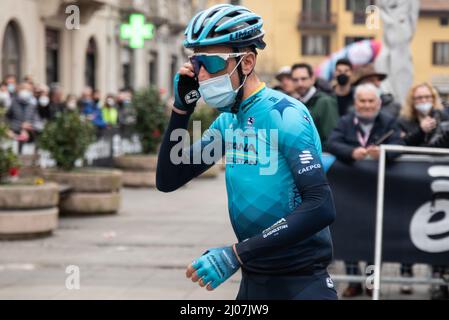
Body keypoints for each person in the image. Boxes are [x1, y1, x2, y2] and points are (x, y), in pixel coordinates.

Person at [156, 4, 337, 300]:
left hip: (301, 282)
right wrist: (181, 110)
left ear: (248, 62)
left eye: (211, 63)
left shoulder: (286, 114)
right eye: (196, 62)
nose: (200, 75)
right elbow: (169, 178)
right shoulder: (228, 121)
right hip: (254, 279)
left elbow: (321, 205)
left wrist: (236, 254)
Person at [327, 83, 404, 297]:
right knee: (350, 235)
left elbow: (399, 144)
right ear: (356, 103)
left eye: (371, 101)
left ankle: (371, 281)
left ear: (378, 103)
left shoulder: (388, 121)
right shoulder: (345, 121)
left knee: (373, 237)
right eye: (363, 101)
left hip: (377, 190)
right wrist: (351, 152)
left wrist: (384, 153)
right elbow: (332, 143)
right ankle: (353, 281)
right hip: (351, 191)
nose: (367, 105)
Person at [399, 82, 449, 300]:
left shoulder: (443, 119)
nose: (423, 101)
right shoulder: (403, 121)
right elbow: (399, 146)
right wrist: (420, 131)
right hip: (407, 183)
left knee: (438, 230)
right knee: (403, 227)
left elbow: (439, 147)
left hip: (436, 183)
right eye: (418, 98)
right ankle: (406, 275)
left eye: (426, 96)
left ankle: (438, 281)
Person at [291, 63, 339, 147]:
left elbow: (332, 138)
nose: (300, 84)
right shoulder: (295, 103)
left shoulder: (325, 102)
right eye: (295, 80)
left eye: (303, 79)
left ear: (312, 79)